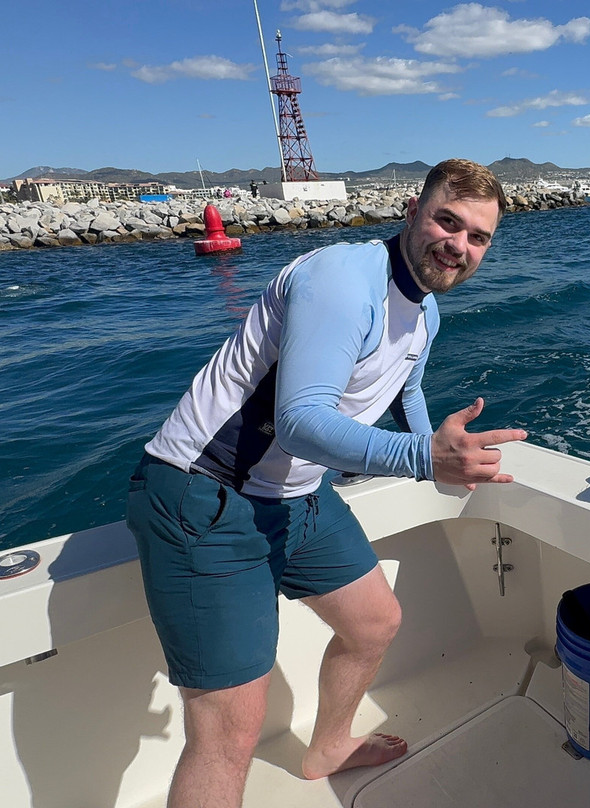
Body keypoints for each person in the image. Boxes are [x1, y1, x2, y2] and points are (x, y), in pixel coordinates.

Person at [126, 158, 526, 807]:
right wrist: (425, 457)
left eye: (477, 236)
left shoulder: (425, 316)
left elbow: (408, 386)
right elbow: (301, 420)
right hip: (206, 494)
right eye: (447, 221)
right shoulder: (343, 280)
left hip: (296, 494)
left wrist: (437, 447)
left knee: (374, 622)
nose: (458, 244)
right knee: (231, 730)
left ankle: (330, 745)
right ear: (412, 214)